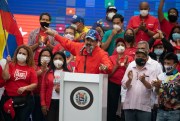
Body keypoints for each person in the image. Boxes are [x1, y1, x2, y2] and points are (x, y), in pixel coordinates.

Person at [44, 28, 113, 74]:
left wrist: (106, 67)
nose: (89, 42)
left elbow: (109, 65)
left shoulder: (101, 53)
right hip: (77, 82)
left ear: (97, 42)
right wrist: (53, 34)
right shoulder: (79, 47)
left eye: (92, 41)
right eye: (87, 39)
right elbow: (66, 42)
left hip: (93, 85)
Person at [0, 45, 38, 121]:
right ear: (16, 53)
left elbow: (35, 84)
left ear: (28, 56)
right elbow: (5, 77)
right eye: (20, 53)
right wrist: (7, 64)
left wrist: (25, 88)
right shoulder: (11, 65)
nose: (21, 55)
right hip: (8, 99)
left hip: (25, 101)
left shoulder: (31, 69)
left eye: (24, 54)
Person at [122, 49, 156, 121]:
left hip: (144, 108)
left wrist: (143, 81)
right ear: (135, 57)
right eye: (138, 56)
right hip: (129, 106)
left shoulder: (151, 69)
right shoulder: (130, 67)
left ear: (147, 59)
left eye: (143, 56)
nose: (140, 58)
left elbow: (151, 87)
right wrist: (129, 79)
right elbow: (124, 86)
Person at [107, 38, 133, 121]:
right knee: (112, 105)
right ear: (115, 47)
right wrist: (116, 66)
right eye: (118, 45)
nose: (120, 47)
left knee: (125, 106)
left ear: (125, 47)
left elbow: (132, 74)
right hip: (113, 84)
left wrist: (126, 66)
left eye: (122, 45)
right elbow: (108, 75)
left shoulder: (130, 58)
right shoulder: (110, 58)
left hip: (126, 86)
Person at [40, 51, 69, 121]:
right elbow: (43, 89)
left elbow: (70, 89)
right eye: (55, 59)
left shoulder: (68, 73)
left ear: (64, 60)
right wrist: (43, 104)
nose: (57, 60)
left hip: (63, 103)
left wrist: (62, 90)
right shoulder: (48, 72)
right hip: (50, 103)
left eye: (60, 58)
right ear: (52, 60)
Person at [152, 52, 180, 121]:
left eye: (168, 63)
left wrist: (160, 85)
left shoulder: (178, 77)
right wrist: (157, 87)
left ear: (175, 65)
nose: (166, 65)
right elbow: (157, 92)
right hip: (160, 111)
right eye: (165, 63)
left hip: (174, 112)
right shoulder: (161, 76)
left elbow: (174, 92)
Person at [32, 48, 53, 121]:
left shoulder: (52, 68)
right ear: (40, 56)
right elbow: (32, 76)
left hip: (47, 98)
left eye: (47, 56)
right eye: (43, 55)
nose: (45, 57)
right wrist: (42, 70)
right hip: (36, 97)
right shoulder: (35, 66)